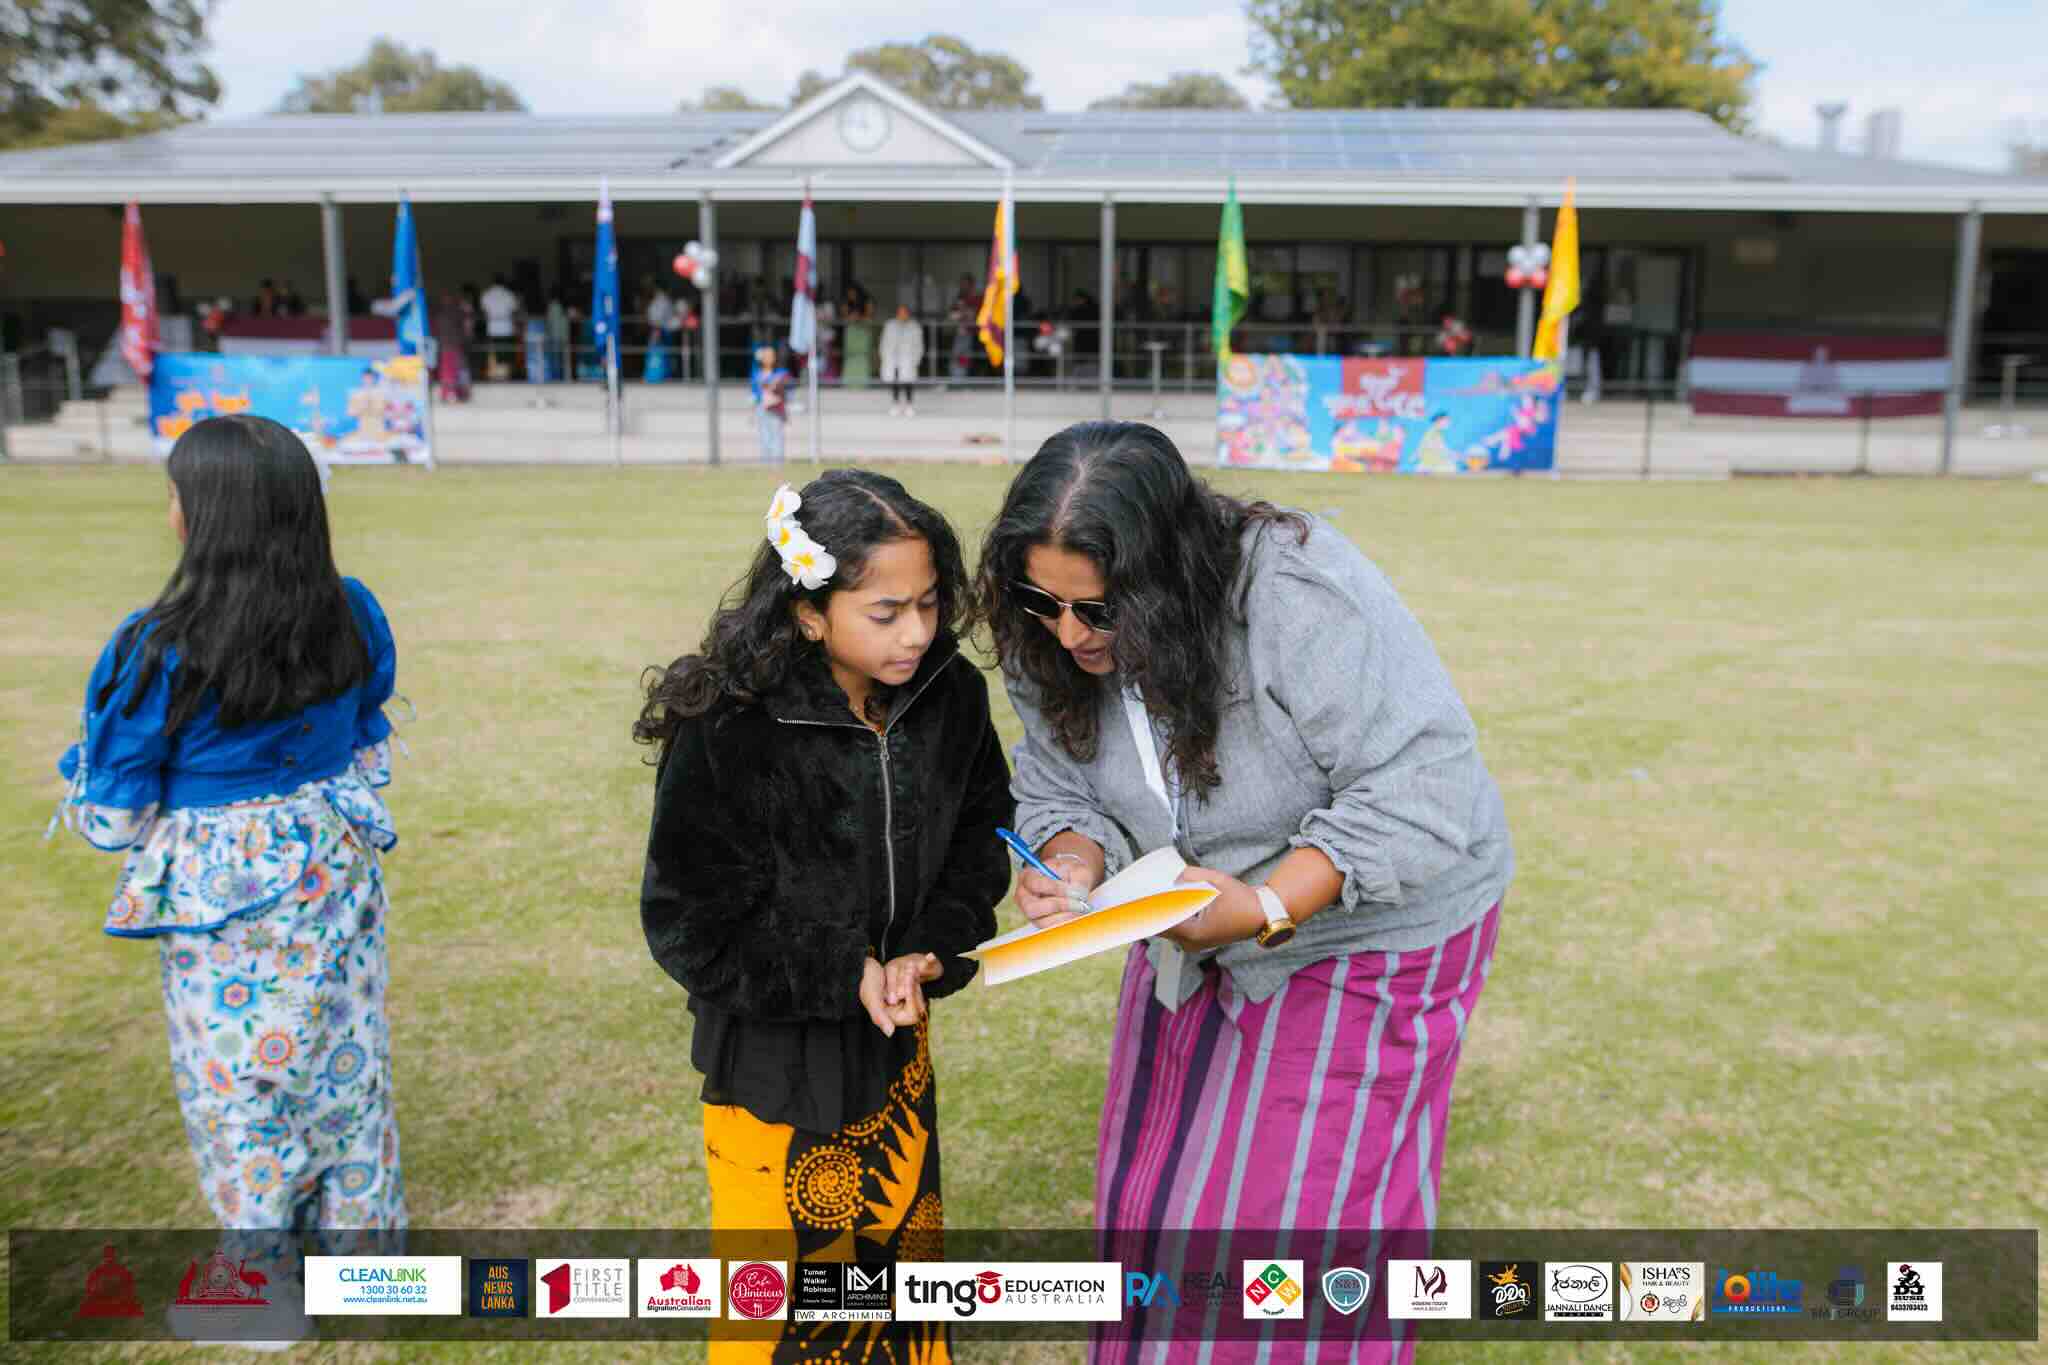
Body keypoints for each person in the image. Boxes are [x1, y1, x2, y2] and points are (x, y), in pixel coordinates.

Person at [973, 421, 1512, 1365]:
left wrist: (1265, 909)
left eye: (1097, 611)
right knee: (1152, 1194)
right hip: (1191, 912)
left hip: (1372, 922)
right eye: (1041, 601)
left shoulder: (1296, 592)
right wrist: (1074, 861)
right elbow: (1062, 781)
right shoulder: (1046, 627)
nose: (1067, 633)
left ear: (1168, 580)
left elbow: (1422, 789)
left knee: (1285, 1220)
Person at [635, 470, 1010, 1365]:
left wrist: (930, 949)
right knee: (778, 1315)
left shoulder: (948, 693)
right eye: (885, 612)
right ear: (809, 612)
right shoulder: (730, 724)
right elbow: (687, 920)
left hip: (894, 1042)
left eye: (927, 603)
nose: (918, 631)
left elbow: (981, 839)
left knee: (899, 1277)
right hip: (771, 1064)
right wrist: (842, 968)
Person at [50, 414, 407, 1341]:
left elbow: (110, 818)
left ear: (204, 516)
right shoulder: (352, 609)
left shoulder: (155, 646)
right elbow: (370, 739)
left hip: (222, 903)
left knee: (241, 1089)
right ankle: (365, 1272)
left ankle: (260, 1295)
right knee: (347, 1069)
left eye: (175, 491)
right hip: (334, 871)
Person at [879, 304, 925, 416]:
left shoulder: (914, 326)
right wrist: (884, 356)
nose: (902, 314)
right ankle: (895, 404)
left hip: (908, 358)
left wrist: (916, 359)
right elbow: (884, 342)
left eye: (904, 312)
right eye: (900, 312)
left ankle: (909, 405)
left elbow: (919, 345)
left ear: (908, 314)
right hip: (892, 358)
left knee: (908, 382)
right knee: (894, 381)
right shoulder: (890, 325)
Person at [750, 344, 791, 464]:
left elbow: (785, 382)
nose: (769, 358)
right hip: (762, 408)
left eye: (771, 356)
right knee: (764, 436)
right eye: (766, 356)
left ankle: (777, 462)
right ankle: (766, 462)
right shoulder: (756, 374)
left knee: (777, 436)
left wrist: (772, 385)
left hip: (776, 409)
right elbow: (755, 391)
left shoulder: (781, 372)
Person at [479, 275, 521, 380]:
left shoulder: (487, 294)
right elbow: (515, 311)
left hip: (492, 329)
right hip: (507, 329)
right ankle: (505, 377)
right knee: (506, 355)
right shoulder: (509, 294)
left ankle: (495, 377)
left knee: (494, 354)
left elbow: (484, 311)